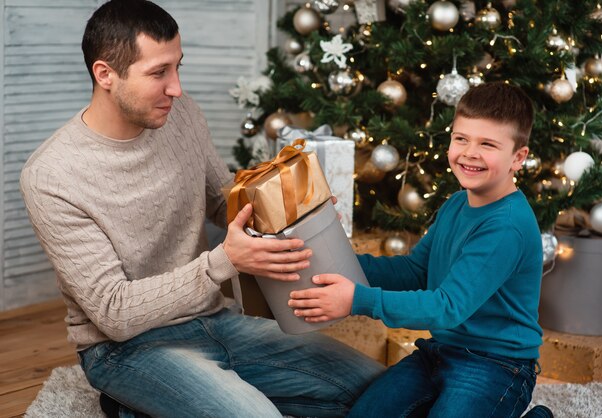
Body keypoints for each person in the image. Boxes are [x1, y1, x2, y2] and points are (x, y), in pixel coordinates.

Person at [19, 1, 384, 417]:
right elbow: (113, 313)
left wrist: (293, 212)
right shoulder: (51, 176)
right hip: (126, 347)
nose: (175, 87)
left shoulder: (182, 115)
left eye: (177, 66)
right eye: (158, 73)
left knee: (379, 391)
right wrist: (222, 262)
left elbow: (222, 200)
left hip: (215, 318)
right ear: (105, 74)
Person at [289, 82, 553, 418]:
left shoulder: (506, 226)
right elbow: (416, 272)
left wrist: (358, 299)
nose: (470, 152)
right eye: (461, 139)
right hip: (440, 352)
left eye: (487, 144)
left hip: (497, 365)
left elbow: (446, 307)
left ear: (518, 157)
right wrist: (341, 264)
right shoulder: (458, 203)